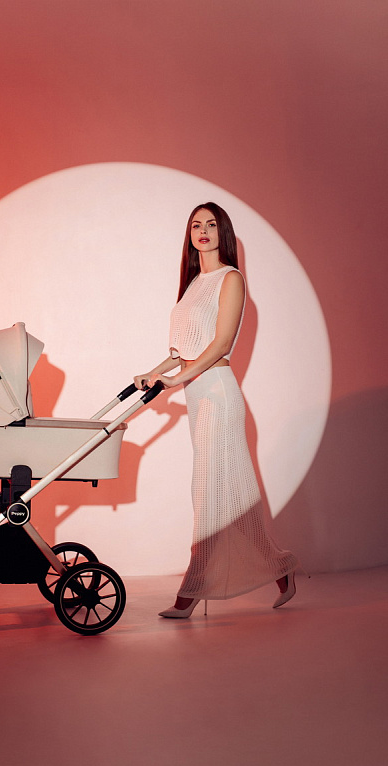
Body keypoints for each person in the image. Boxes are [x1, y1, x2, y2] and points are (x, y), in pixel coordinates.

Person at [134, 202, 298, 618]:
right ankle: (280, 568)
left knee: (206, 494)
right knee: (234, 497)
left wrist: (176, 380)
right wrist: (155, 373)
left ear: (222, 233)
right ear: (189, 234)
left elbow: (221, 344)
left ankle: (189, 592)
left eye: (210, 224)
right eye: (196, 225)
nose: (203, 231)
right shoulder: (193, 284)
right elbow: (182, 350)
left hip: (218, 395)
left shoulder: (231, 279)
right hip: (198, 395)